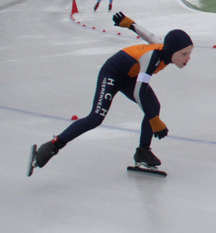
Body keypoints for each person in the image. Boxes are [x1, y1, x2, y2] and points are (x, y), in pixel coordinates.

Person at [29, 12, 193, 174]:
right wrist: (154, 120)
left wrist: (130, 24)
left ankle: (143, 152)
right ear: (172, 51)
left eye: (189, 53)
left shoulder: (163, 48)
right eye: (184, 54)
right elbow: (139, 92)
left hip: (128, 75)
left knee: (154, 106)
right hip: (112, 74)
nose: (187, 58)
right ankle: (53, 145)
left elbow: (148, 35)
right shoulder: (152, 57)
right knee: (96, 118)